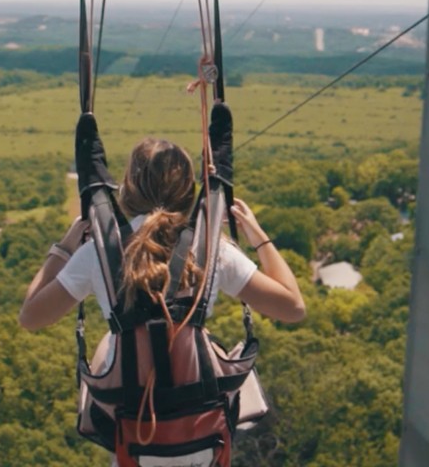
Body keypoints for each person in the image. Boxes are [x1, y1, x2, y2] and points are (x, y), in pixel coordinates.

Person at [19, 135, 305, 357]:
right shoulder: (212, 250)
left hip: (129, 417)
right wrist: (258, 237)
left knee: (107, 345)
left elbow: (31, 317)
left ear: (130, 188)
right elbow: (293, 308)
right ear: (186, 192)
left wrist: (65, 248)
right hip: (197, 413)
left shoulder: (100, 253)